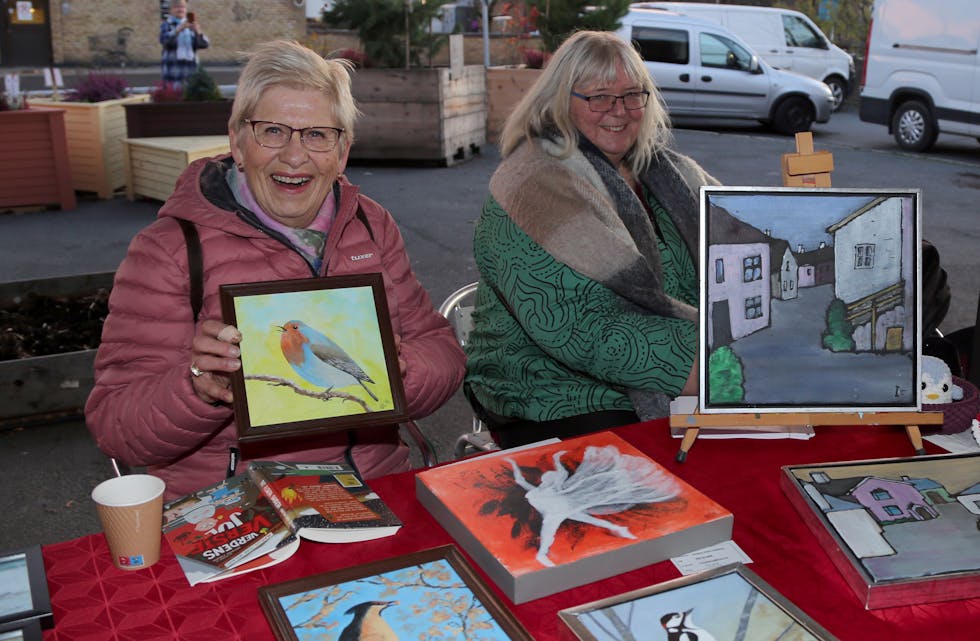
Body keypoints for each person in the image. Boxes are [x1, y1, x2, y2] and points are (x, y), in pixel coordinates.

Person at [86, 40, 466, 501]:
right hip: (240, 507)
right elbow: (115, 427)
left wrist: (405, 372)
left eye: (317, 134)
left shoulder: (371, 224)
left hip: (373, 487)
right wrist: (196, 388)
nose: (293, 155)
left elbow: (440, 349)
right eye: (272, 131)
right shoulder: (170, 250)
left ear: (342, 152)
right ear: (238, 142)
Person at [464, 30, 719, 448]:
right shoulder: (532, 185)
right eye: (599, 96)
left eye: (632, 95)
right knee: (669, 478)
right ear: (560, 101)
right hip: (550, 390)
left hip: (675, 374)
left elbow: (743, 239)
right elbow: (580, 329)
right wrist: (718, 361)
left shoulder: (672, 175)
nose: (618, 111)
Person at [159, 0, 209, 88]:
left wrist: (198, 32)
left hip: (191, 69)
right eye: (177, 7)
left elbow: (204, 45)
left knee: (190, 97)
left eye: (183, 7)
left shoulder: (191, 25)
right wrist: (178, 30)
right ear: (171, 10)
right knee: (173, 97)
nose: (180, 9)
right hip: (173, 69)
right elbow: (165, 41)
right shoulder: (167, 25)